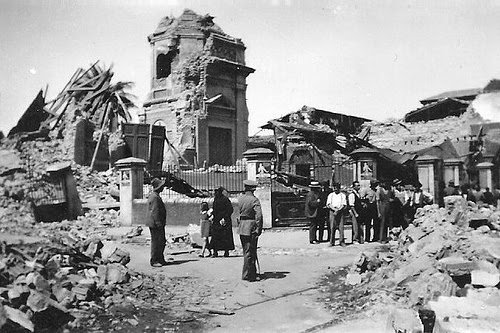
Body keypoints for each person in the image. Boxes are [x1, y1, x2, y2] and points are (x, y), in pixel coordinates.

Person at [238, 180, 263, 282]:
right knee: (251, 252)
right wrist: (258, 228)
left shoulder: (241, 199)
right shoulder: (254, 200)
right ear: (253, 189)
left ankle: (249, 272)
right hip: (251, 227)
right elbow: (259, 216)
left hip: (242, 227)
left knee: (246, 251)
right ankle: (249, 275)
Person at [146, 178, 167, 267]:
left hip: (156, 223)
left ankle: (160, 258)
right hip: (156, 223)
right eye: (161, 186)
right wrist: (158, 223)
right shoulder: (155, 197)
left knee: (161, 241)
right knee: (157, 241)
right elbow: (155, 211)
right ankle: (154, 260)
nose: (163, 187)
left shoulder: (155, 196)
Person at [210, 187, 235, 257]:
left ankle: (226, 252)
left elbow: (230, 209)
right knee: (216, 236)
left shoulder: (225, 200)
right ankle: (215, 252)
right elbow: (215, 209)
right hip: (217, 220)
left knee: (225, 237)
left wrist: (225, 218)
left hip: (224, 221)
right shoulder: (216, 199)